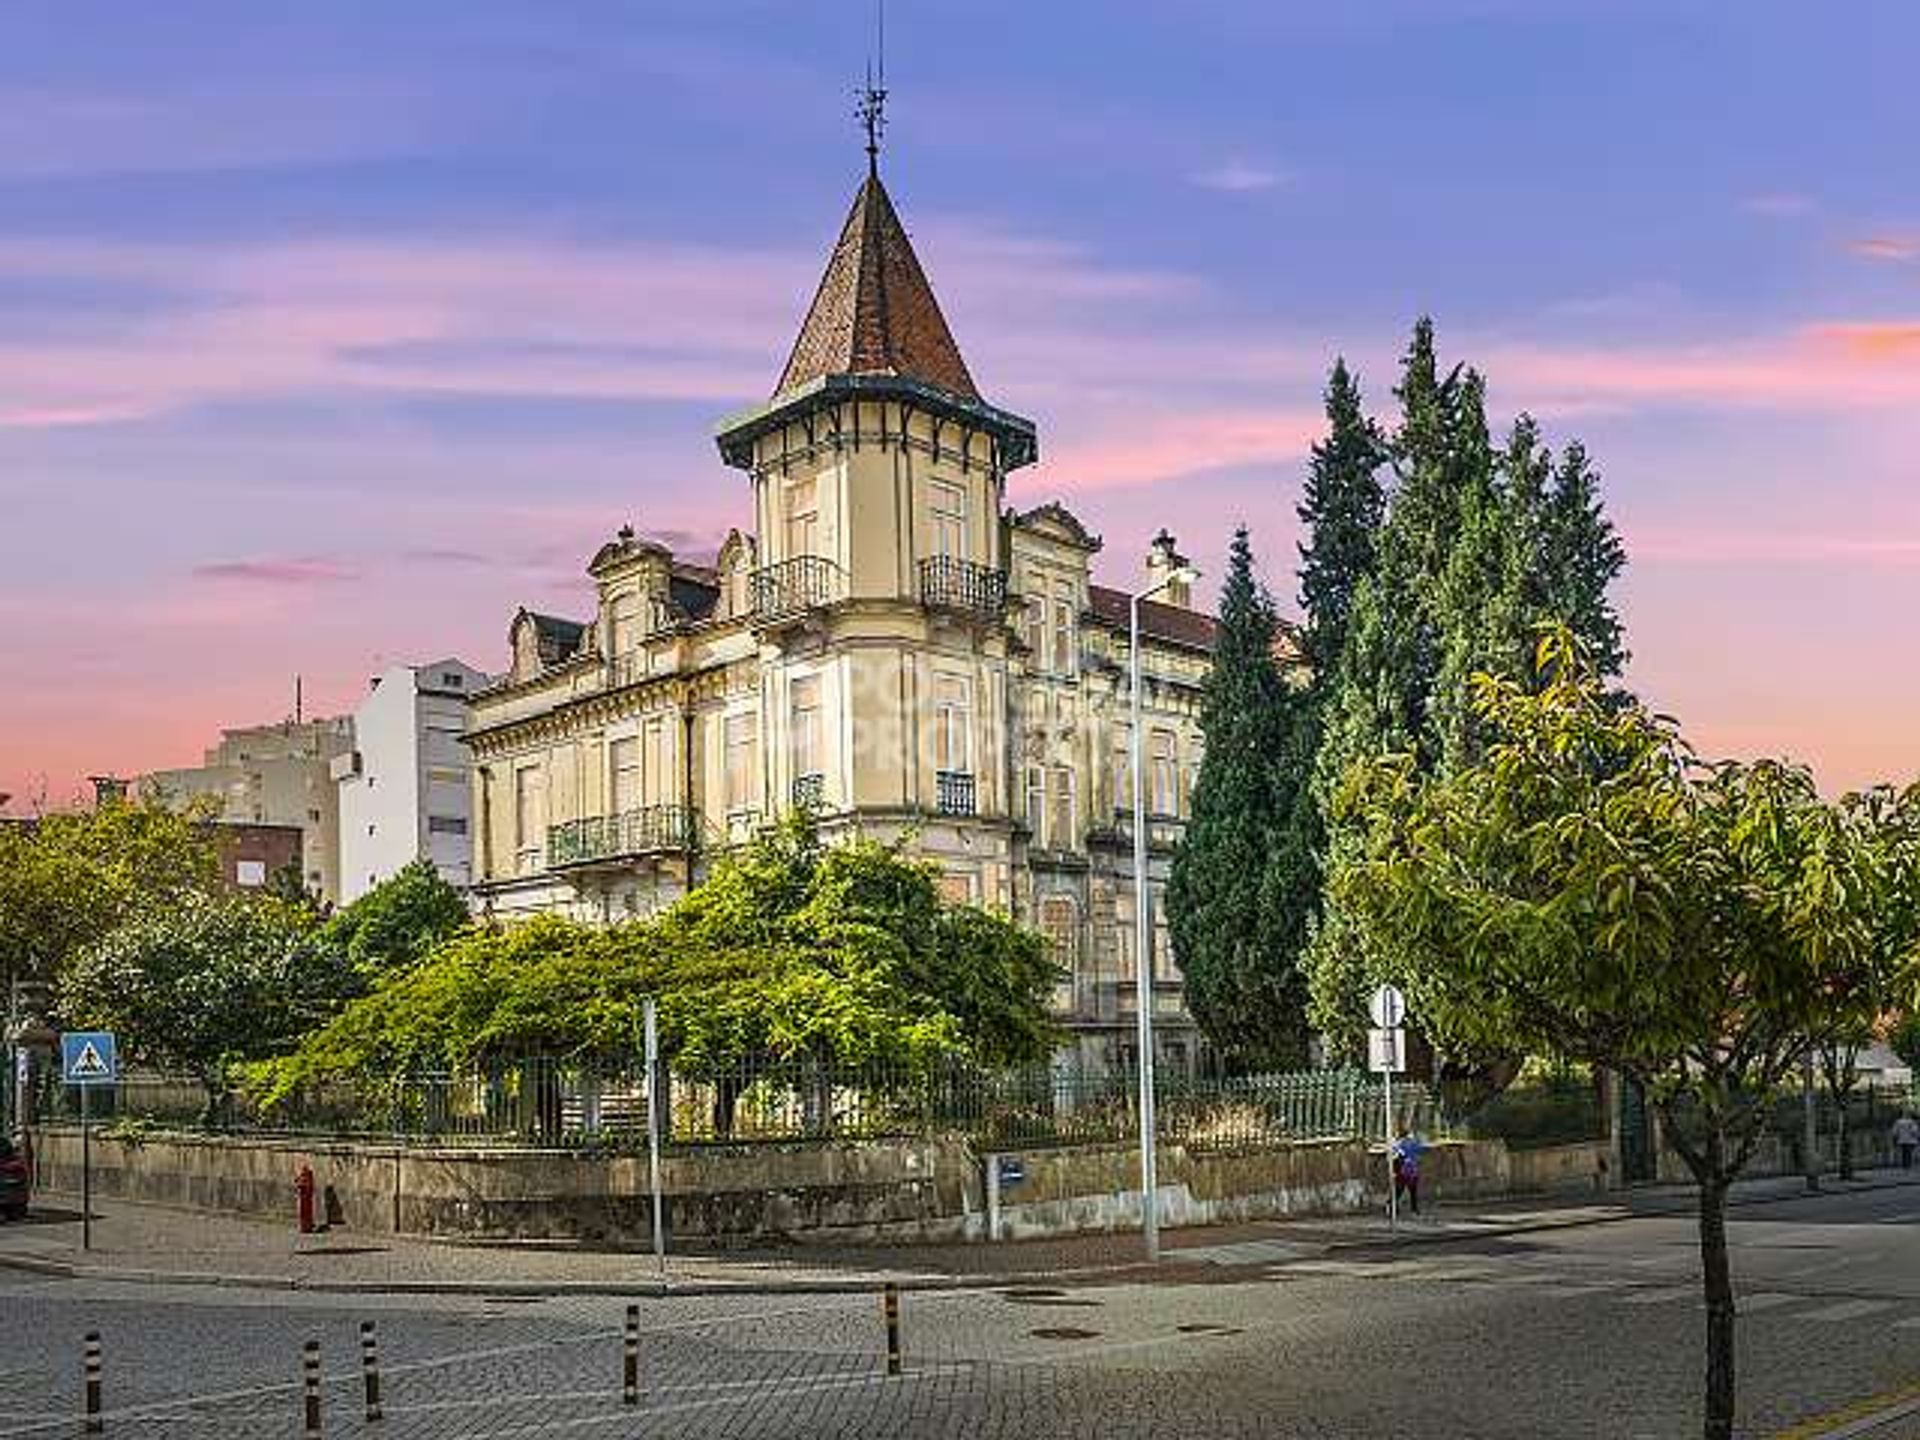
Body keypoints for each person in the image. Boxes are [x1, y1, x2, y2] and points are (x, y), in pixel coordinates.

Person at [1390, 1131, 1428, 1216]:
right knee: (1409, 1190)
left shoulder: (1401, 1145)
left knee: (1401, 1190)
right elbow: (1421, 1150)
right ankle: (1412, 1209)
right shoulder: (1406, 1144)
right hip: (1407, 1170)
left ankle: (1394, 1206)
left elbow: (1396, 1158)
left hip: (1406, 1170)